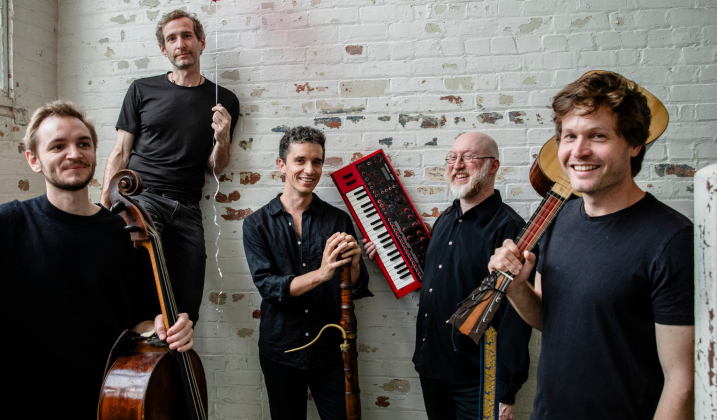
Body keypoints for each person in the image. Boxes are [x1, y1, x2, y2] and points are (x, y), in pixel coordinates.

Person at [488, 72, 695, 419]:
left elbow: (682, 383)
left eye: (598, 136)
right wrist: (517, 287)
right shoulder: (558, 220)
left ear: (634, 144)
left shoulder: (671, 240)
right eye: (570, 136)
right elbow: (550, 319)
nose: (579, 151)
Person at [1, 101, 195, 415]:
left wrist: (167, 328)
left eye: (83, 144)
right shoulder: (10, 224)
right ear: (33, 160)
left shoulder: (128, 234)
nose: (74, 154)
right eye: (58, 146)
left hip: (109, 401)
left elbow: (143, 319)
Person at [366, 132, 533, 420]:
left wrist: (505, 392)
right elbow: (437, 283)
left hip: (478, 380)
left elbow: (516, 319)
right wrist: (387, 251)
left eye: (469, 157)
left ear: (493, 166)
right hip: (432, 370)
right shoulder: (445, 218)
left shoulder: (510, 229)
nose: (457, 165)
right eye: (452, 157)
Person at [99, 9, 241, 324]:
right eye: (172, 38)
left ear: (201, 42)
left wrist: (223, 138)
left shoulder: (225, 99)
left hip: (189, 208)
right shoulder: (142, 89)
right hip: (142, 197)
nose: (181, 43)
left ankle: (173, 369)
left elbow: (215, 169)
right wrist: (103, 205)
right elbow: (121, 151)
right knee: (143, 293)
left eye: (187, 35)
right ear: (164, 49)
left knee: (187, 305)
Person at [243, 126, 372, 419]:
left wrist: (352, 265)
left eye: (317, 162)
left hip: (332, 351)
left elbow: (354, 286)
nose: (309, 170)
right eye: (300, 160)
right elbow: (269, 286)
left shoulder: (337, 219)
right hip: (281, 350)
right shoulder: (256, 224)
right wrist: (322, 273)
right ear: (282, 165)